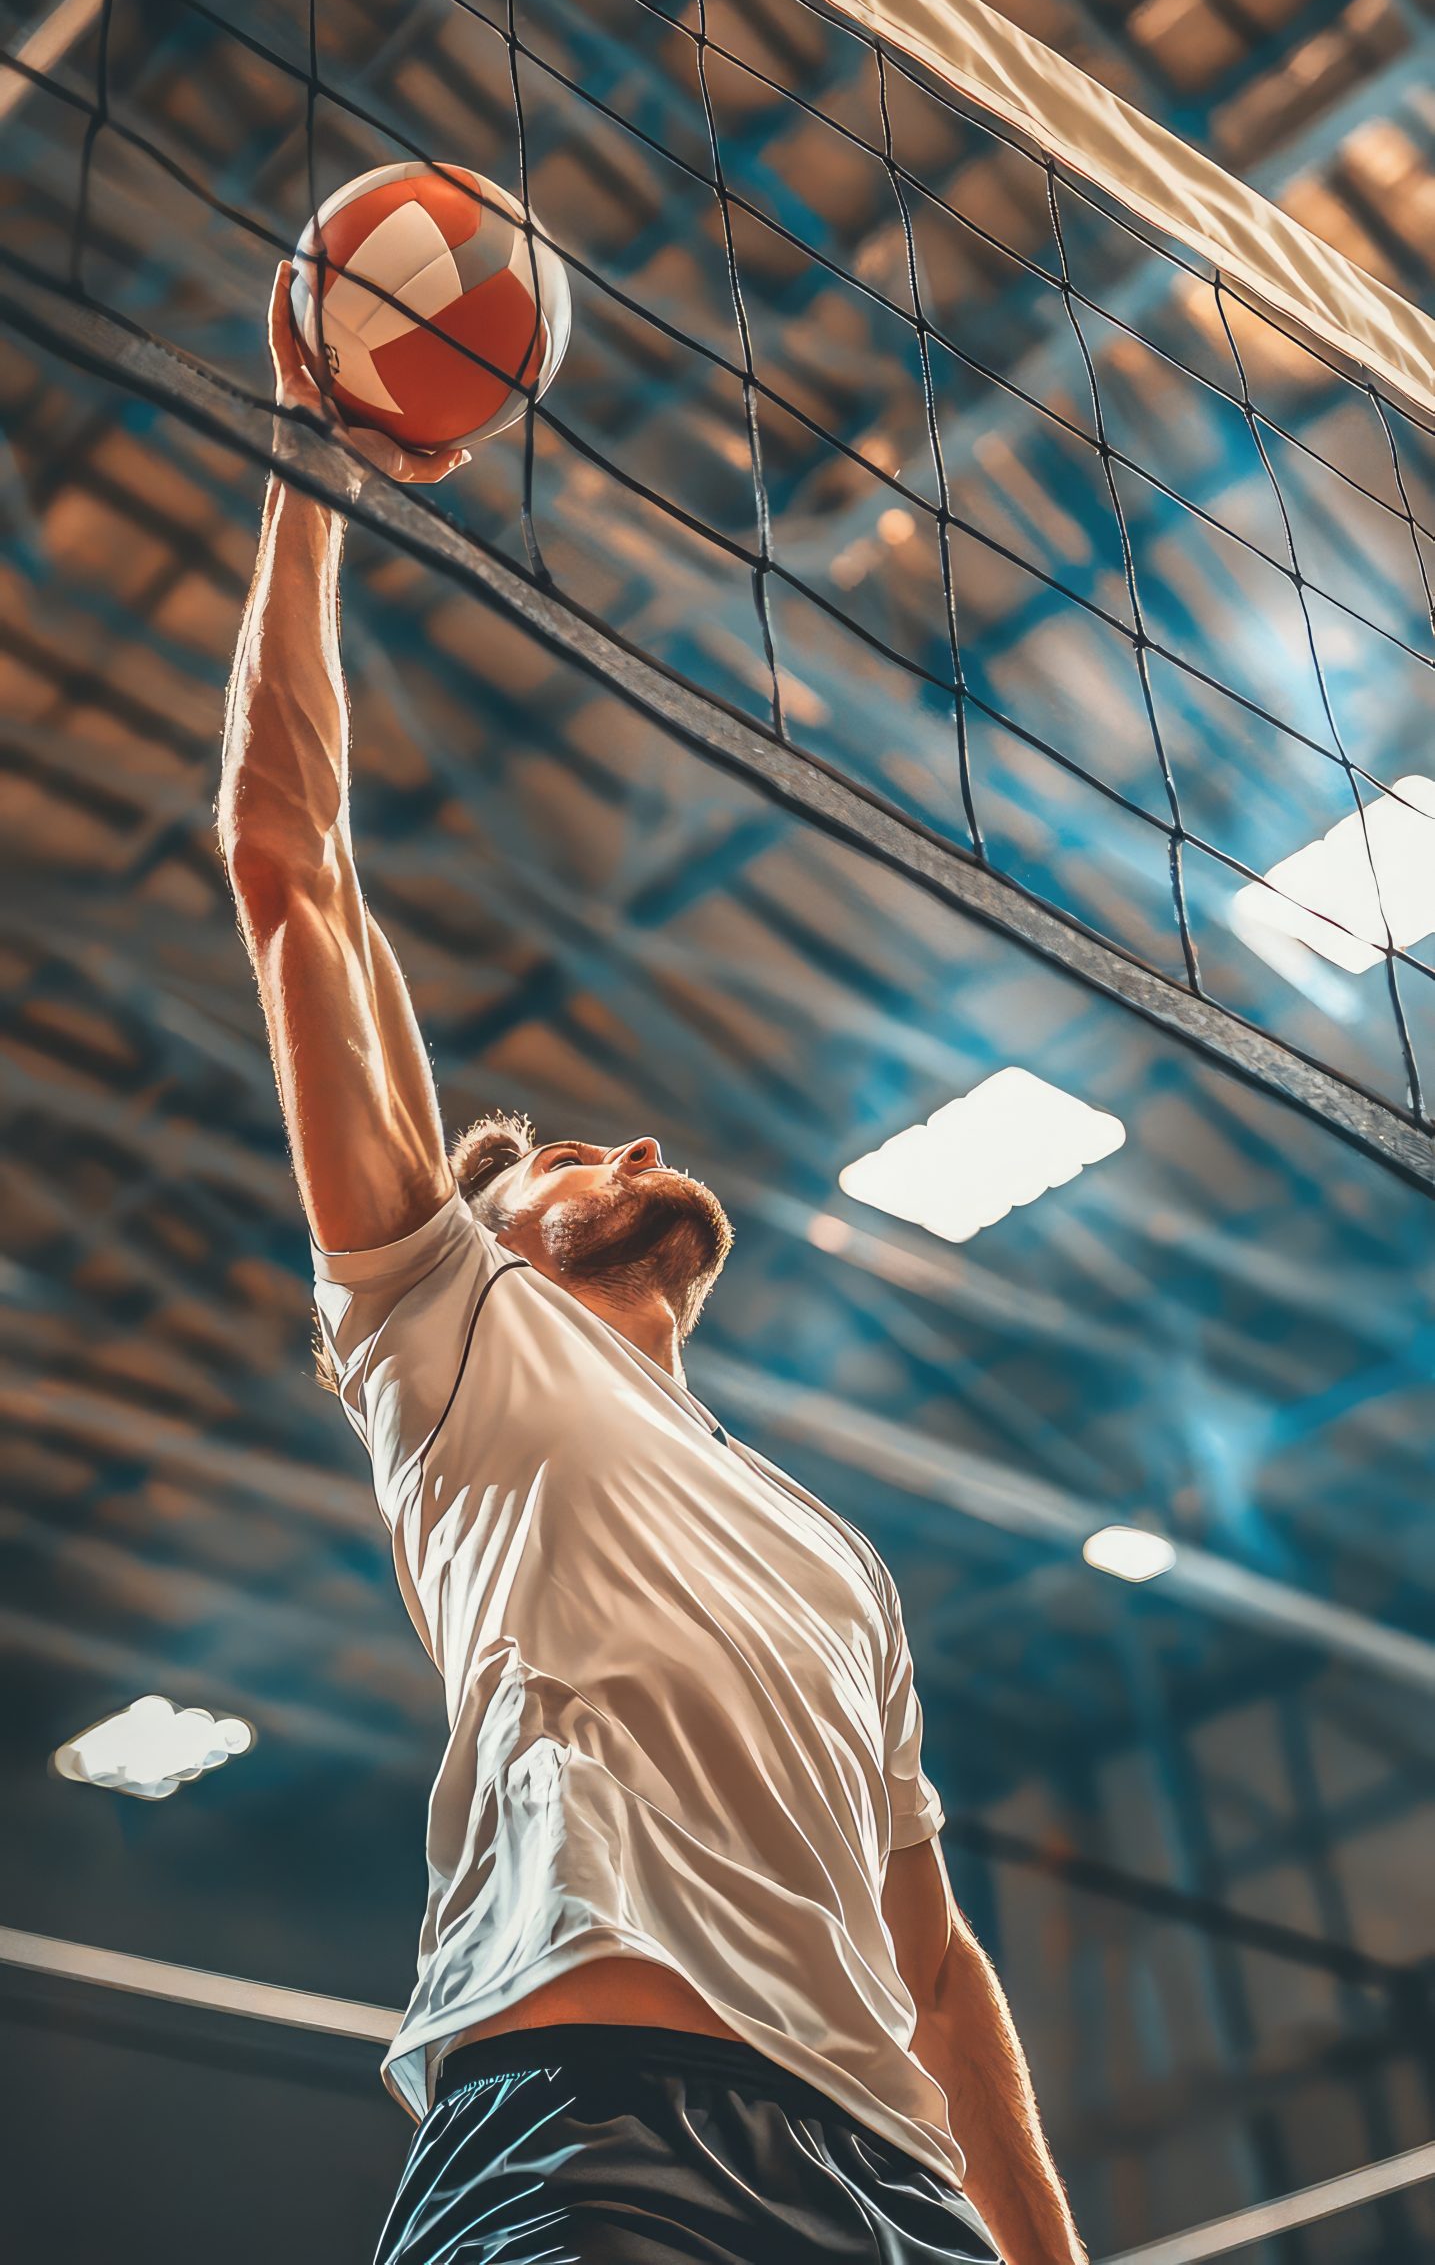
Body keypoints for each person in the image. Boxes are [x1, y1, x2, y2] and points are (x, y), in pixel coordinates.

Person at [217, 265, 1087, 2265]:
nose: (635, 1146)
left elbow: (938, 1971)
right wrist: (308, 479)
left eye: (632, 1134)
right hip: (598, 2134)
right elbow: (296, 869)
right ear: (492, 1233)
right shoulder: (448, 1327)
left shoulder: (835, 1552)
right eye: (573, 1151)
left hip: (889, 2190)